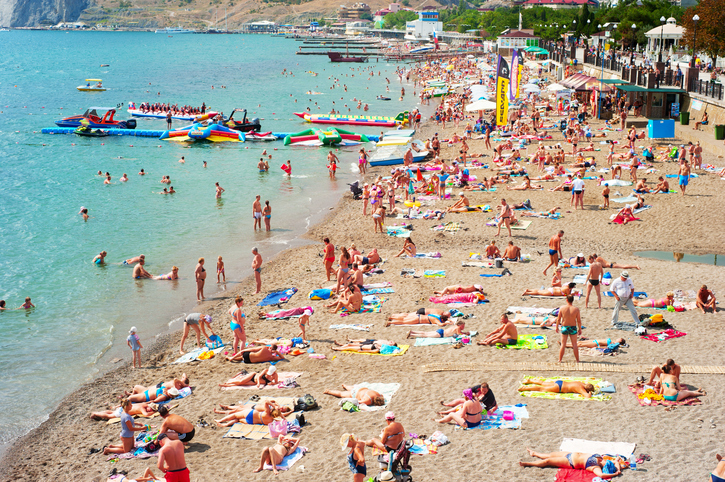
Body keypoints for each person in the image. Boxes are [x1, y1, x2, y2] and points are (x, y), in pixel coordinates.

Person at [519, 448, 624, 479]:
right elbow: (616, 461)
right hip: (570, 454)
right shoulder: (601, 458)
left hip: (570, 461)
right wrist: (618, 469)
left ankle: (528, 463)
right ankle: (535, 453)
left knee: (548, 461)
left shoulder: (595, 467)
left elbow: (601, 475)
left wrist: (615, 474)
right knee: (549, 455)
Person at [555, 295, 581, 363]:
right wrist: (580, 329)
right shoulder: (576, 309)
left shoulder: (562, 308)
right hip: (573, 327)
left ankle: (560, 360)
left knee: (563, 344)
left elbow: (558, 319)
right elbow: (578, 320)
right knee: (574, 344)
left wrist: (557, 327)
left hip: (564, 327)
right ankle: (577, 360)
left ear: (566, 300)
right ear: (573, 300)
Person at [518, 379, 595, 398]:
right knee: (541, 389)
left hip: (560, 382)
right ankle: (524, 388)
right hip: (560, 387)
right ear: (587, 390)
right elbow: (587, 396)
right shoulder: (581, 388)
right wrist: (590, 393)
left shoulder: (581, 383)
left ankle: (530, 380)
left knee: (543, 383)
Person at [386, 309, 451, 326]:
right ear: (442, 319)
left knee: (404, 318)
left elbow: (445, 318)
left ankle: (391, 318)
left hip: (419, 316)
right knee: (404, 322)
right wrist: (447, 323)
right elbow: (440, 324)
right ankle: (390, 323)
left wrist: (449, 320)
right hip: (418, 320)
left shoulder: (437, 315)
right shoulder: (437, 320)